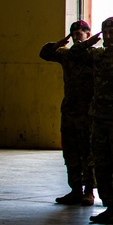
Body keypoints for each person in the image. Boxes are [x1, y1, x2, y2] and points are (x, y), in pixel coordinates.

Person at [70, 17, 113, 225]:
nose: (109, 36)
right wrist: (93, 40)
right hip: (99, 118)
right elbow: (75, 53)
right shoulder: (98, 55)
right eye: (105, 33)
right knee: (102, 163)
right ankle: (109, 205)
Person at [40, 19, 96, 206]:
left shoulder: (94, 55)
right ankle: (75, 190)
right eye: (74, 34)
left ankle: (89, 191)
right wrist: (58, 44)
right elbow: (44, 54)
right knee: (70, 151)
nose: (77, 36)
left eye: (80, 33)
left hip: (88, 111)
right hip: (70, 109)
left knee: (88, 152)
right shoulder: (67, 55)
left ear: (88, 34)